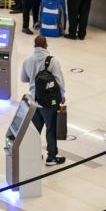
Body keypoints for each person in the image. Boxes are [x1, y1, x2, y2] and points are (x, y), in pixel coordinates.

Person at [20, 36, 66, 166]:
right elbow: (59, 81)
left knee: (35, 131)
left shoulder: (27, 60)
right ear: (46, 45)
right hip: (49, 103)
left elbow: (23, 79)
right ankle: (51, 157)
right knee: (51, 129)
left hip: (34, 102)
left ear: (34, 45)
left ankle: (34, 154)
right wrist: (62, 95)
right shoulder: (53, 61)